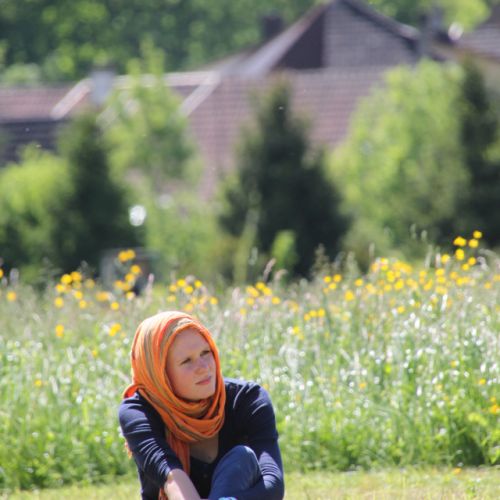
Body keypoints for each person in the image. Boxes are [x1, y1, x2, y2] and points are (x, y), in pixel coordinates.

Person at [118, 310, 285, 500]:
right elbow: (172, 479)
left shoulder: (247, 399)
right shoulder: (139, 411)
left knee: (242, 457)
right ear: (160, 374)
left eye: (206, 353)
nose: (204, 367)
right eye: (186, 361)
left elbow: (273, 483)